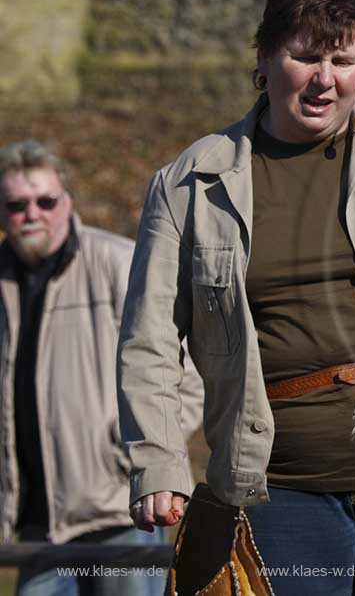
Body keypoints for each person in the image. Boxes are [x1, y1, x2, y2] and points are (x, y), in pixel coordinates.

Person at [116, 0, 355, 595]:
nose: (324, 80)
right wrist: (158, 465)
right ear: (264, 57)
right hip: (277, 484)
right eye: (305, 57)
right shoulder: (189, 184)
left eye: (343, 60)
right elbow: (148, 344)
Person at [0, 140, 202, 596]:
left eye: (45, 201)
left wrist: (133, 455)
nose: (32, 214)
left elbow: (189, 378)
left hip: (121, 514)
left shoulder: (118, 263)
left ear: (66, 201)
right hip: (36, 526)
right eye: (16, 205)